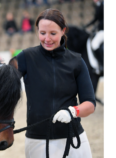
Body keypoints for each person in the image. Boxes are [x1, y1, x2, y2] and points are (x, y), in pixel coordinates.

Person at [10, 9, 96, 158]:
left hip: (73, 138)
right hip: (37, 141)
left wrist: (73, 112)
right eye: (42, 33)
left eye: (53, 33)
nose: (47, 39)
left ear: (63, 31)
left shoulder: (77, 61)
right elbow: (3, 85)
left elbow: (90, 104)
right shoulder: (25, 57)